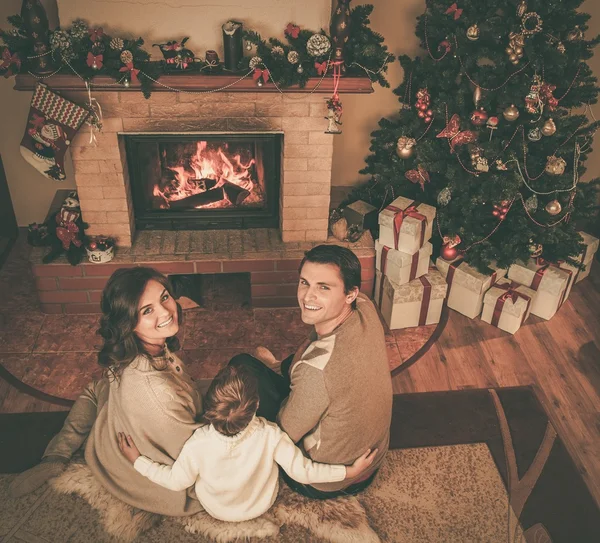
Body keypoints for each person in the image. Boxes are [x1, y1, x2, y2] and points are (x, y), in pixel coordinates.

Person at [10, 267, 204, 516]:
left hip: (111, 438)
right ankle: (55, 460)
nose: (166, 311)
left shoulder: (130, 354)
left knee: (96, 391)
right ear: (128, 323)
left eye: (164, 297)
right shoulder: (157, 392)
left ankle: (57, 454)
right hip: (161, 483)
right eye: (147, 310)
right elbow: (197, 452)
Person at [229, 244, 393, 499]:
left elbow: (284, 434)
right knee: (295, 365)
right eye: (305, 282)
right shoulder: (366, 307)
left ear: (350, 293)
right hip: (374, 457)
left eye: (323, 287)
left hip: (328, 479)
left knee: (240, 368)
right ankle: (279, 369)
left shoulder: (316, 372)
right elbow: (314, 350)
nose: (307, 296)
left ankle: (274, 370)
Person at [118, 364, 377, 522]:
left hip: (216, 509)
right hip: (261, 504)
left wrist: (138, 461)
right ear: (256, 405)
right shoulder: (270, 434)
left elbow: (177, 481)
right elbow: (303, 471)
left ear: (209, 406)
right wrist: (349, 471)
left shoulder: (198, 443)